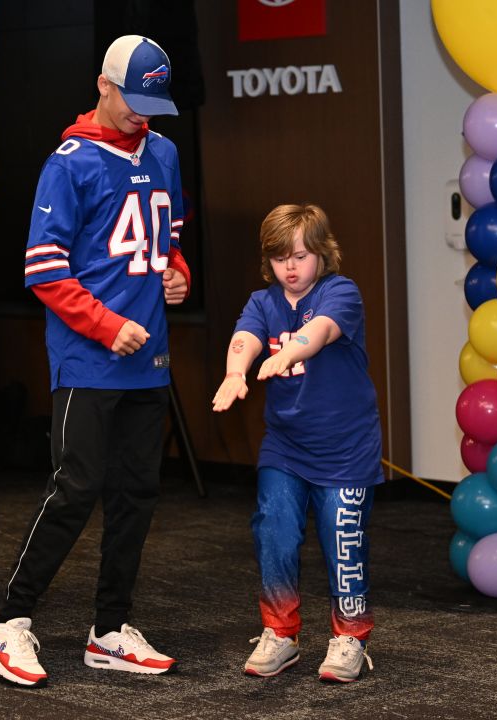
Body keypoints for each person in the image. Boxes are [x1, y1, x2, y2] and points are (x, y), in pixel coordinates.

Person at [0, 35, 190, 687]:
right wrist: (105, 324)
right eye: (132, 98)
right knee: (75, 489)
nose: (140, 114)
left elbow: (167, 240)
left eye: (152, 102)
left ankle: (109, 630)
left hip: (148, 360)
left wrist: (177, 275)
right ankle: (7, 621)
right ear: (103, 85)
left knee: (136, 496)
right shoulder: (70, 163)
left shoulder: (166, 153)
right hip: (89, 360)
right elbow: (43, 269)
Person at [212, 204, 384, 683]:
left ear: (323, 255)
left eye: (302, 255)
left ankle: (350, 636)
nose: (291, 267)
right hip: (286, 447)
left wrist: (288, 351)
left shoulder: (340, 291)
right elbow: (244, 337)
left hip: (346, 450)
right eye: (280, 258)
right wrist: (235, 373)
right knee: (274, 530)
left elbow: (321, 331)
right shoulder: (261, 302)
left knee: (342, 542)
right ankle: (280, 633)